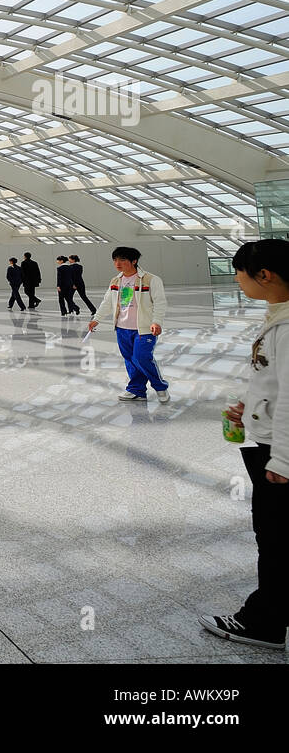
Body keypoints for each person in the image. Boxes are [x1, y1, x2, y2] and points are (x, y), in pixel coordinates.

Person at [201, 239, 289, 649]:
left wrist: (284, 460)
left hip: (280, 455)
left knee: (275, 538)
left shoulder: (286, 327)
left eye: (239, 273)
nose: (236, 280)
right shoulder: (279, 316)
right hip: (271, 442)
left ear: (264, 275)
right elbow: (274, 381)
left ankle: (264, 623)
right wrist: (250, 405)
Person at [87, 246, 169, 403]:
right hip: (122, 328)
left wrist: (156, 322)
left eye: (122, 260)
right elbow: (107, 303)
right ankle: (136, 390)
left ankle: (160, 387)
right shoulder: (116, 281)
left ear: (134, 261)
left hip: (144, 328)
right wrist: (96, 319)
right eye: (115, 260)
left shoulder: (150, 280)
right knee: (130, 359)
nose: (117, 263)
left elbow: (160, 303)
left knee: (142, 358)